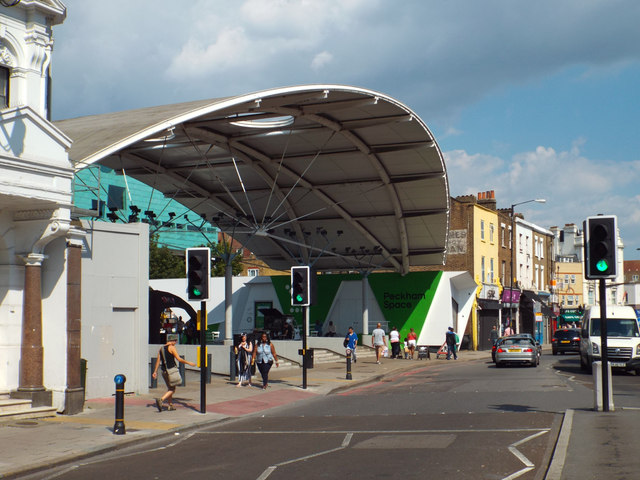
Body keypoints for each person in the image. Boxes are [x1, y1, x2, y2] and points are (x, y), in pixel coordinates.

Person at [152, 334, 196, 412]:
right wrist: (189, 363)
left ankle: (170, 405)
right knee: (172, 389)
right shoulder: (172, 347)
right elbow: (179, 359)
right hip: (171, 371)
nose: (176, 343)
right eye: (175, 341)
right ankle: (161, 400)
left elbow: (158, 361)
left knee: (169, 388)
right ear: (172, 341)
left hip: (164, 371)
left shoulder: (161, 348)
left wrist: (155, 371)